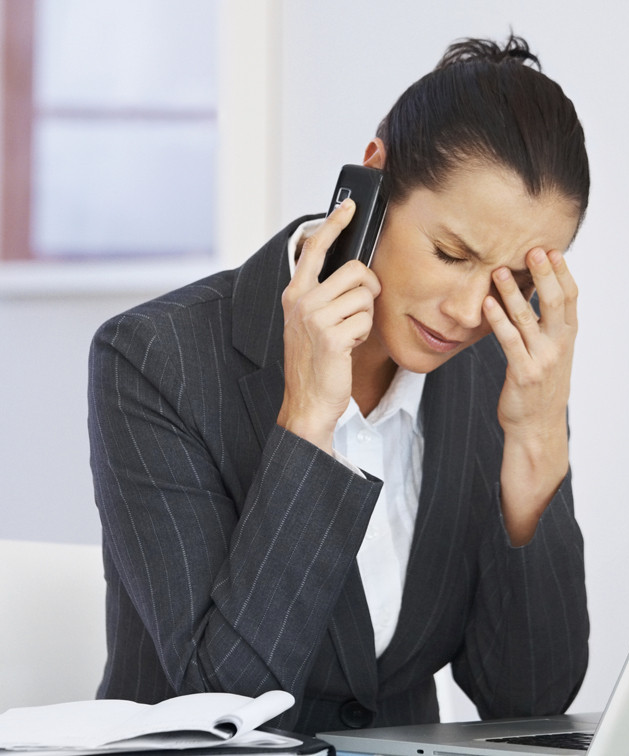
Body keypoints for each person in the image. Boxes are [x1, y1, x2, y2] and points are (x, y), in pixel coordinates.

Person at [87, 35, 589, 735]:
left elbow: (530, 699)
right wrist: (309, 420)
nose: (474, 312)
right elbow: (225, 708)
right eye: (450, 253)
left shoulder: (497, 380)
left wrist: (536, 442)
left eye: (518, 281)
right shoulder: (155, 359)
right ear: (373, 179)